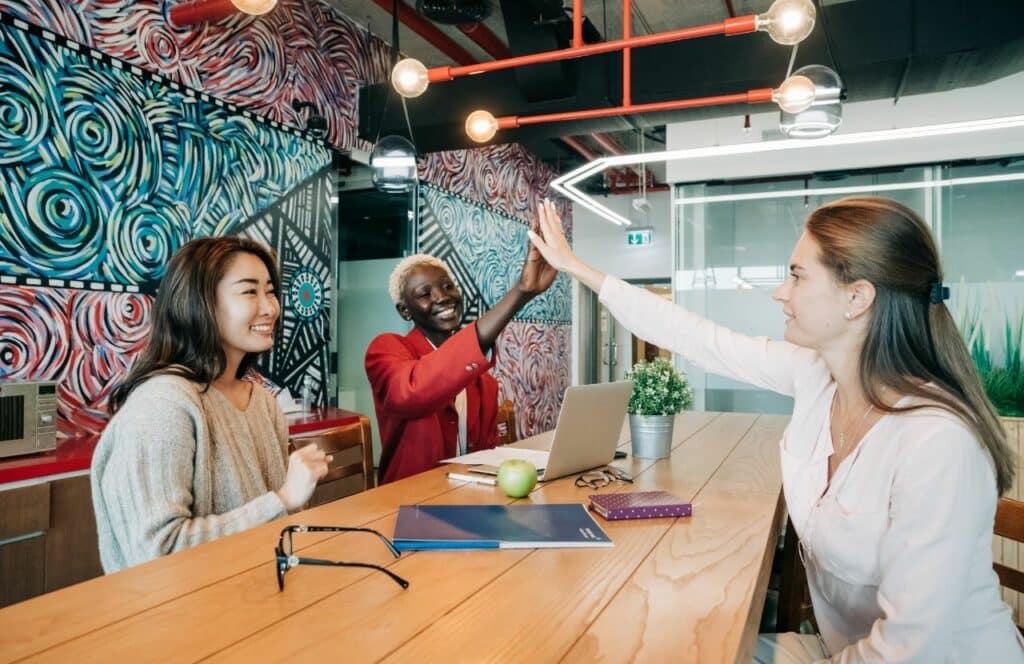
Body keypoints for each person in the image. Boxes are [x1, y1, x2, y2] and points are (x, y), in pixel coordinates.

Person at [526, 197, 1024, 663]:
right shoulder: (816, 375)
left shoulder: (939, 445)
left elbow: (908, 650)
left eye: (797, 277)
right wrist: (577, 268)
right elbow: (699, 339)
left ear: (857, 297)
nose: (779, 292)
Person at [91, 237, 329, 573]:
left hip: (255, 600)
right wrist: (284, 500)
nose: (270, 307)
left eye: (271, 291)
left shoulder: (262, 403)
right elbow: (157, 553)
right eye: (249, 291)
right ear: (199, 302)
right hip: (179, 618)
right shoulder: (162, 405)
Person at [365, 216, 557, 484]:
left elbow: (486, 457)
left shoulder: (484, 384)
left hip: (468, 500)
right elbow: (414, 388)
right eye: (424, 293)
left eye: (447, 286)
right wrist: (521, 292)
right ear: (405, 310)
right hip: (408, 505)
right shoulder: (386, 350)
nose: (442, 297)